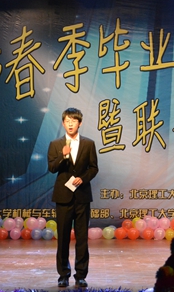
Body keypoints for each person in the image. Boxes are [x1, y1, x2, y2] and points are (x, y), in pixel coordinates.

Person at [48, 107, 99, 288]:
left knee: (82, 238)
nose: (70, 124)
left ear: (80, 123)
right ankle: (63, 275)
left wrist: (82, 179)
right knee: (63, 238)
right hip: (63, 197)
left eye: (74, 121)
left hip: (82, 196)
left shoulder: (89, 144)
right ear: (63, 123)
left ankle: (81, 275)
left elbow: (94, 168)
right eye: (67, 121)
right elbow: (52, 168)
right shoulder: (55, 144)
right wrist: (63, 156)